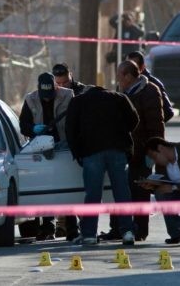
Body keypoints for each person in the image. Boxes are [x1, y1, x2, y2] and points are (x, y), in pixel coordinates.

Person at [65, 85, 139, 245]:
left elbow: (70, 129)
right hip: (118, 150)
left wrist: (77, 152)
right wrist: (121, 134)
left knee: (93, 194)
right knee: (122, 192)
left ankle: (90, 234)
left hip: (91, 151)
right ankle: (127, 231)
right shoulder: (119, 98)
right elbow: (134, 120)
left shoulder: (78, 101)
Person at [100, 60, 165, 242]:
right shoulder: (122, 92)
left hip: (142, 152)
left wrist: (153, 153)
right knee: (119, 191)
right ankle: (117, 229)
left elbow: (156, 125)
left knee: (140, 192)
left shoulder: (149, 91)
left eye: (120, 75)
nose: (117, 79)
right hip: (123, 151)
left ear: (128, 76)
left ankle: (140, 230)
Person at [19, 72, 74, 241]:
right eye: (45, 96)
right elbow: (23, 125)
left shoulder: (68, 95)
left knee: (68, 188)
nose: (48, 99)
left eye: (51, 94)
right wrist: (33, 128)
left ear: (56, 87)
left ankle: (72, 227)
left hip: (64, 147)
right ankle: (47, 226)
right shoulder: (31, 99)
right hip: (42, 148)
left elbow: (75, 119)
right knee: (46, 188)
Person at [51, 63, 89, 240]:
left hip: (78, 145)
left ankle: (85, 226)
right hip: (59, 144)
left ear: (71, 76)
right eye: (59, 83)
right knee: (65, 191)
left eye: (65, 82)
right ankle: (68, 228)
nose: (63, 86)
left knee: (80, 190)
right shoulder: (52, 93)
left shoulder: (81, 91)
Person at [126, 51, 174, 122]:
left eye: (133, 66)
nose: (129, 69)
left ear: (142, 67)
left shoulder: (154, 84)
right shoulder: (123, 83)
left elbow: (168, 112)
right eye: (127, 65)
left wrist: (151, 125)